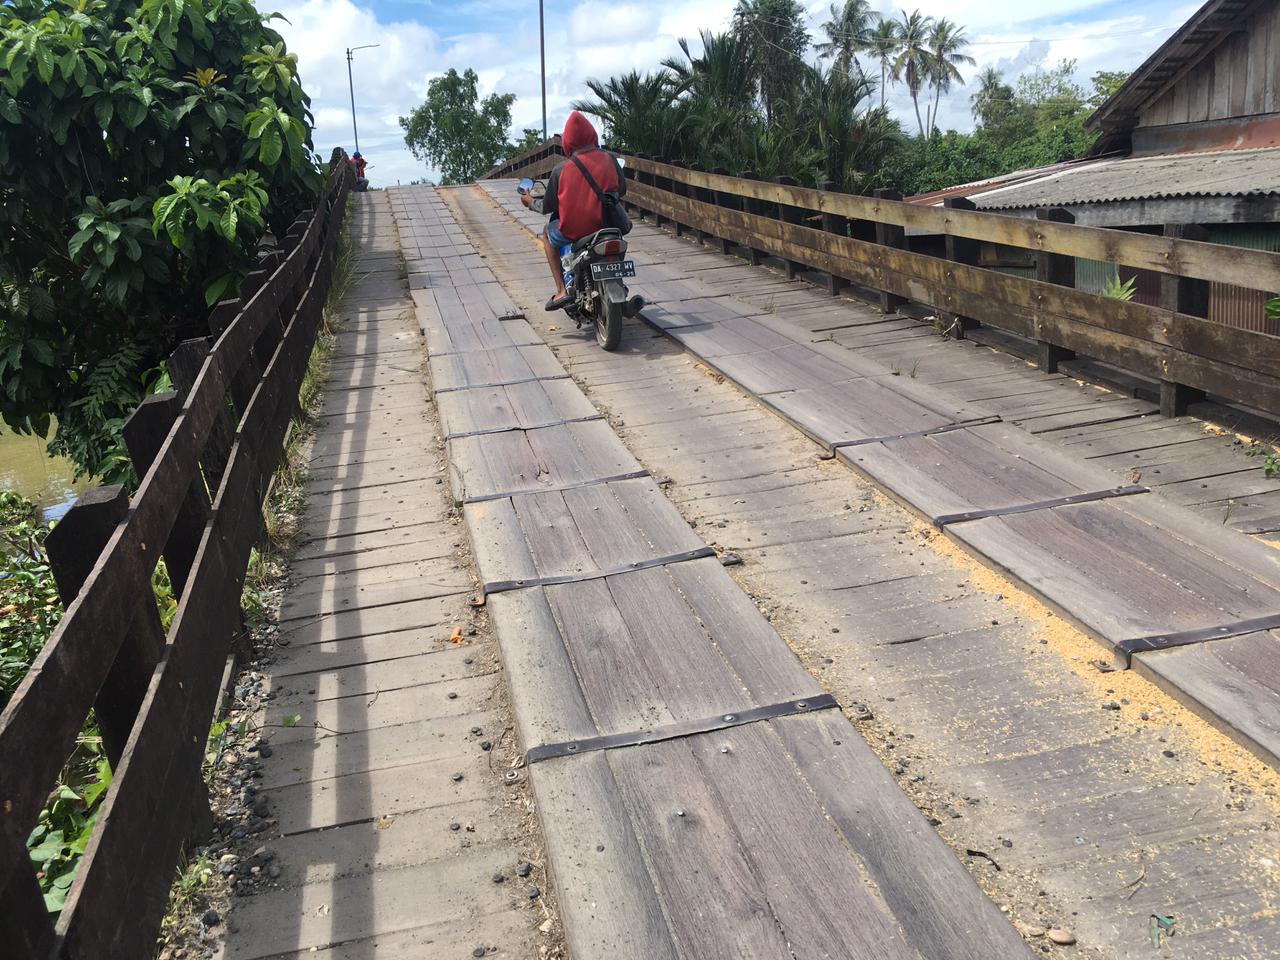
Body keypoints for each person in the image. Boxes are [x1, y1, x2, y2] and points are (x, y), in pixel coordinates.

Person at [520, 111, 625, 311]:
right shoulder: (610, 160)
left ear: (567, 142)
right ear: (592, 135)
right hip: (609, 225)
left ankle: (561, 290)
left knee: (547, 233)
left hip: (576, 230)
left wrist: (530, 201)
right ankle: (617, 278)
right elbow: (622, 190)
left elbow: (547, 207)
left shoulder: (561, 170)